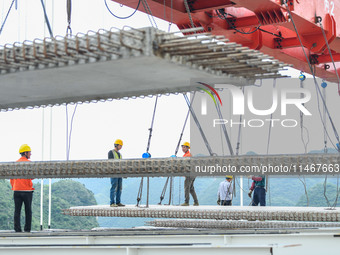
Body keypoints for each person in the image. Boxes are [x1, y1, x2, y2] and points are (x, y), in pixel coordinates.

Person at [10, 144, 35, 233]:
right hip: (27, 191)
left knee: (17, 211)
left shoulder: (15, 164)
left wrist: (14, 186)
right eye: (29, 152)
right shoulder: (30, 164)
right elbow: (32, 177)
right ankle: (27, 229)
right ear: (25, 153)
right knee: (28, 210)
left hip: (16, 190)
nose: (30, 154)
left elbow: (11, 178)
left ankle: (17, 229)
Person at [180, 142, 199, 206]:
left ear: (188, 148)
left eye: (184, 147)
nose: (183, 148)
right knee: (191, 188)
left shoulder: (187, 155)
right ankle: (196, 202)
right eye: (182, 147)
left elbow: (184, 165)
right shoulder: (187, 154)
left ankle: (186, 202)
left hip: (190, 174)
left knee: (187, 187)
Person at [109, 139, 125, 207]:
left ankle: (118, 202)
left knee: (119, 187)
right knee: (114, 187)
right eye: (120, 145)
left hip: (119, 173)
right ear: (116, 145)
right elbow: (110, 162)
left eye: (121, 146)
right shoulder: (111, 152)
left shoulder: (119, 154)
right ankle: (112, 202)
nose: (121, 147)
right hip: (113, 172)